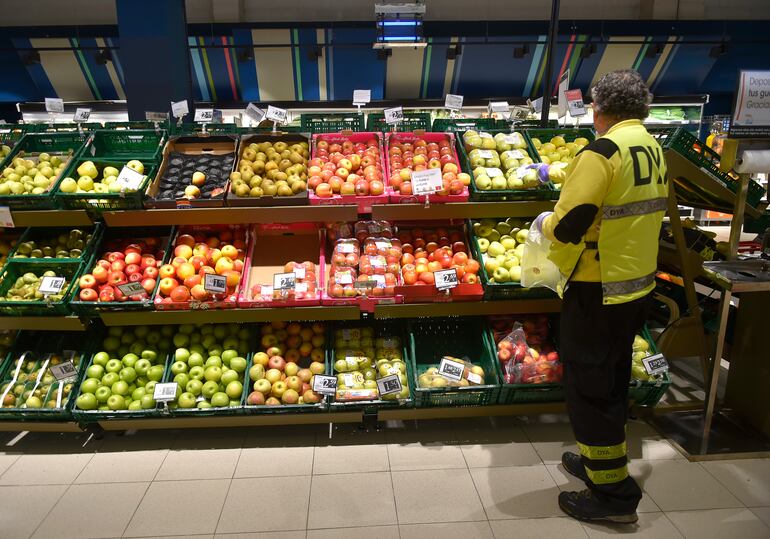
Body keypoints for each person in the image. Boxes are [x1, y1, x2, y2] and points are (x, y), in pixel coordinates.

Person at [531, 69, 668, 523]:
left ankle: (613, 495)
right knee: (610, 381)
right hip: (636, 285)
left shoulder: (602, 151)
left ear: (598, 109)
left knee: (590, 389)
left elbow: (569, 226)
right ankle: (599, 462)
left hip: (598, 286)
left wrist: (544, 223)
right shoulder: (650, 146)